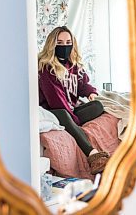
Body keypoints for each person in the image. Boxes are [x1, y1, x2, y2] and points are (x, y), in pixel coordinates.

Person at [38, 26, 109, 174]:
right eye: (60, 43)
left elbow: (83, 84)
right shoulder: (46, 67)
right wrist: (72, 118)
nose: (65, 47)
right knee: (64, 114)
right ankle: (93, 155)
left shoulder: (74, 65)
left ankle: (71, 124)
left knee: (97, 106)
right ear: (52, 44)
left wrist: (91, 93)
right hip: (52, 111)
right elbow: (55, 101)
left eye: (68, 42)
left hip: (70, 110)